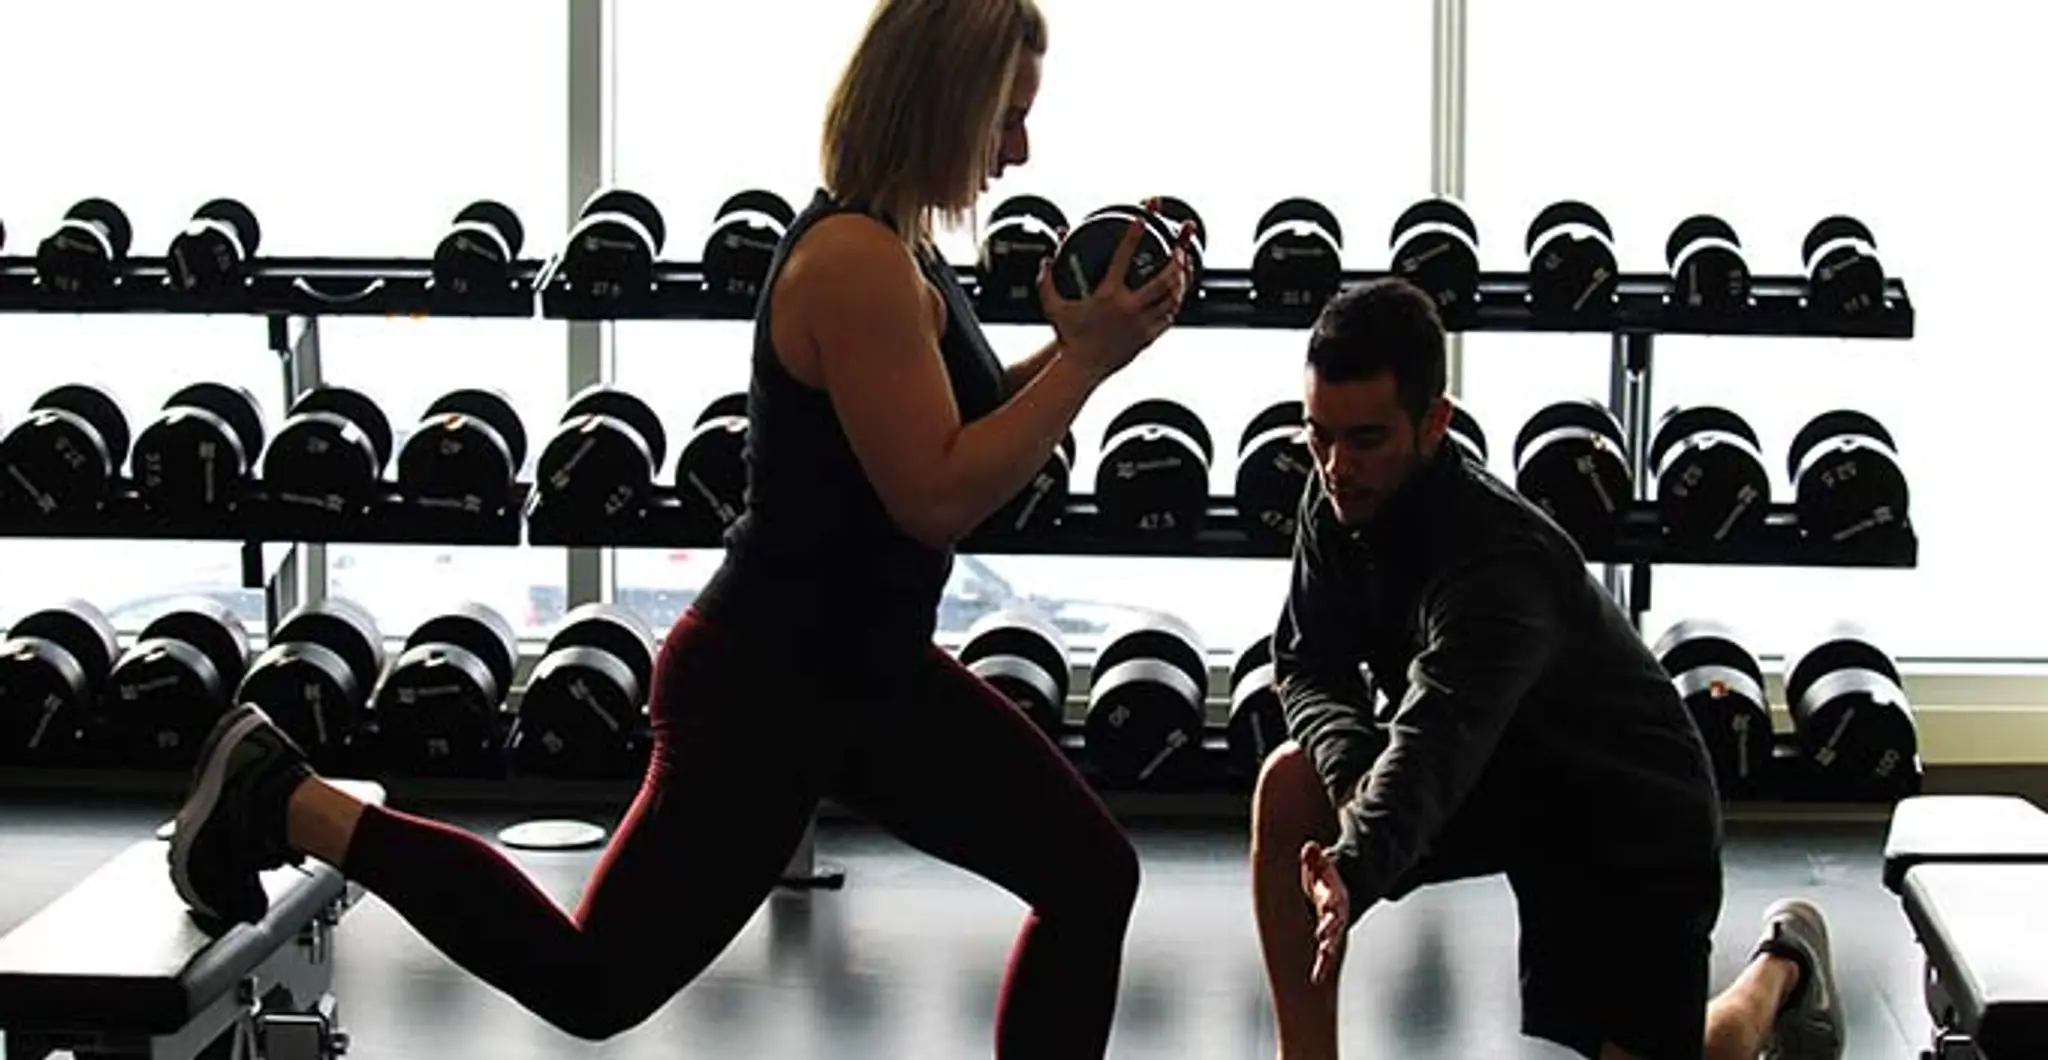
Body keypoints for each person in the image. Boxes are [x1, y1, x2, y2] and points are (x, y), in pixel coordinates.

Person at [166, 1, 1194, 1054]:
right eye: (1005, 118)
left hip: (867, 673)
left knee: (1086, 873)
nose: (1017, 151)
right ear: (941, 102)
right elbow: (934, 495)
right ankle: (286, 797)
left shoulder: (900, 247)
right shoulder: (854, 261)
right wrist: (1084, 364)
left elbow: (961, 428)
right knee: (591, 981)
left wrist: (1090, 342)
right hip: (770, 686)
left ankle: (282, 795)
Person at [1249, 278, 1845, 1060]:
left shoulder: (1499, 564)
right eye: (1318, 435)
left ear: (1435, 423)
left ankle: (1784, 968)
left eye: (1365, 439)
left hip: (1626, 814)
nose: (1335, 467)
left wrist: (1354, 863)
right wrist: (1348, 775)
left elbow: (1437, 738)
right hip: (1502, 778)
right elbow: (1307, 659)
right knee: (1291, 782)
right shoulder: (1337, 497)